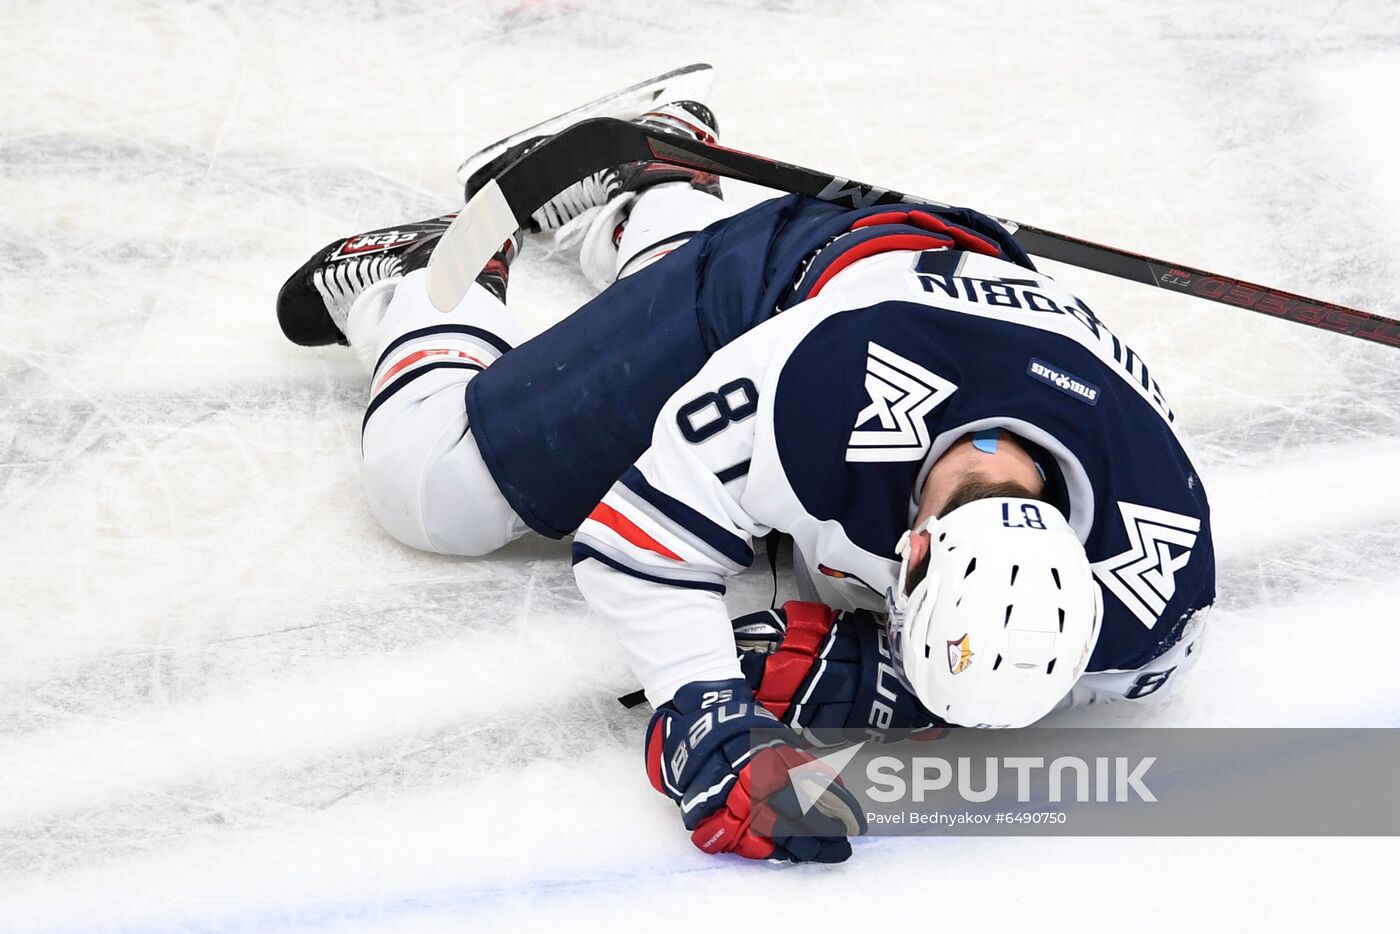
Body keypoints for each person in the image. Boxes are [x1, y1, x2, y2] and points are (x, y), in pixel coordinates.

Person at [276, 96, 1215, 865]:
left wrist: (901, 680)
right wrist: (705, 710)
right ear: (914, 547)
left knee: (768, 531)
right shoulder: (812, 398)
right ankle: (424, 278)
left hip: (965, 300)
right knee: (433, 488)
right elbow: (637, 546)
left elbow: (1043, 672)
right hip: (790, 281)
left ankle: (661, 191)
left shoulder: (1156, 609)